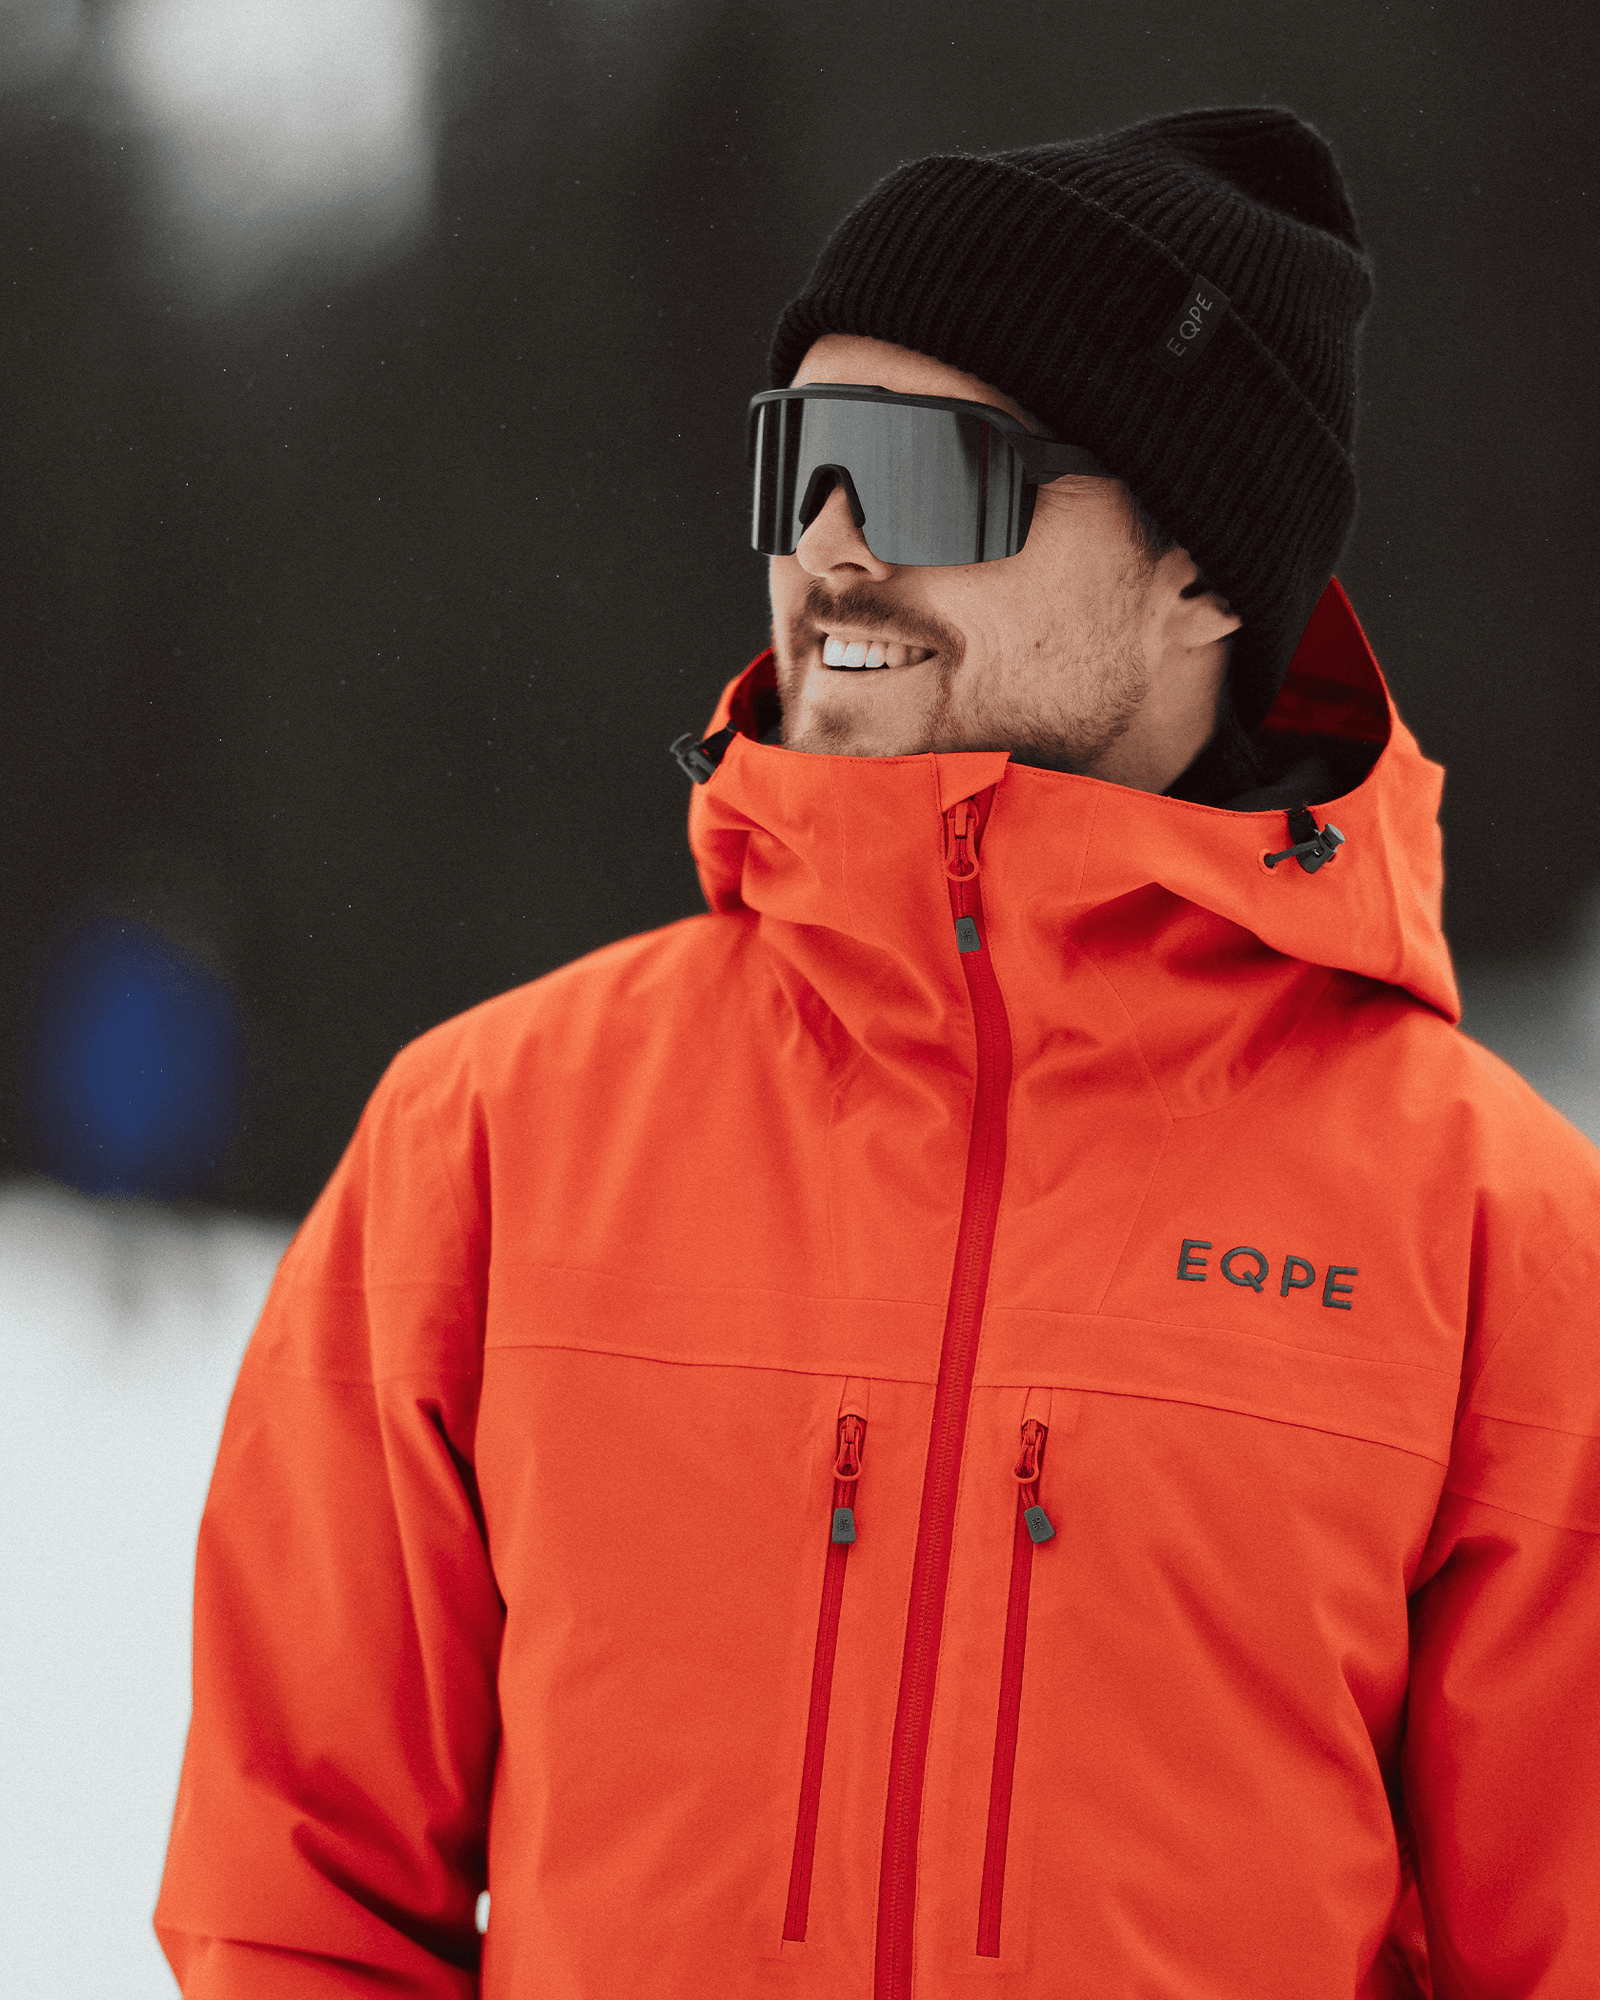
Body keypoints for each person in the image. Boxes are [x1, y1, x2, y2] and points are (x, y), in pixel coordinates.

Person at [156, 107, 1600, 1998]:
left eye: (930, 475)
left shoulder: (1495, 1239)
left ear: (1203, 564)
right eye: (802, 463)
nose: (830, 547)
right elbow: (295, 1899)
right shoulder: (489, 1143)